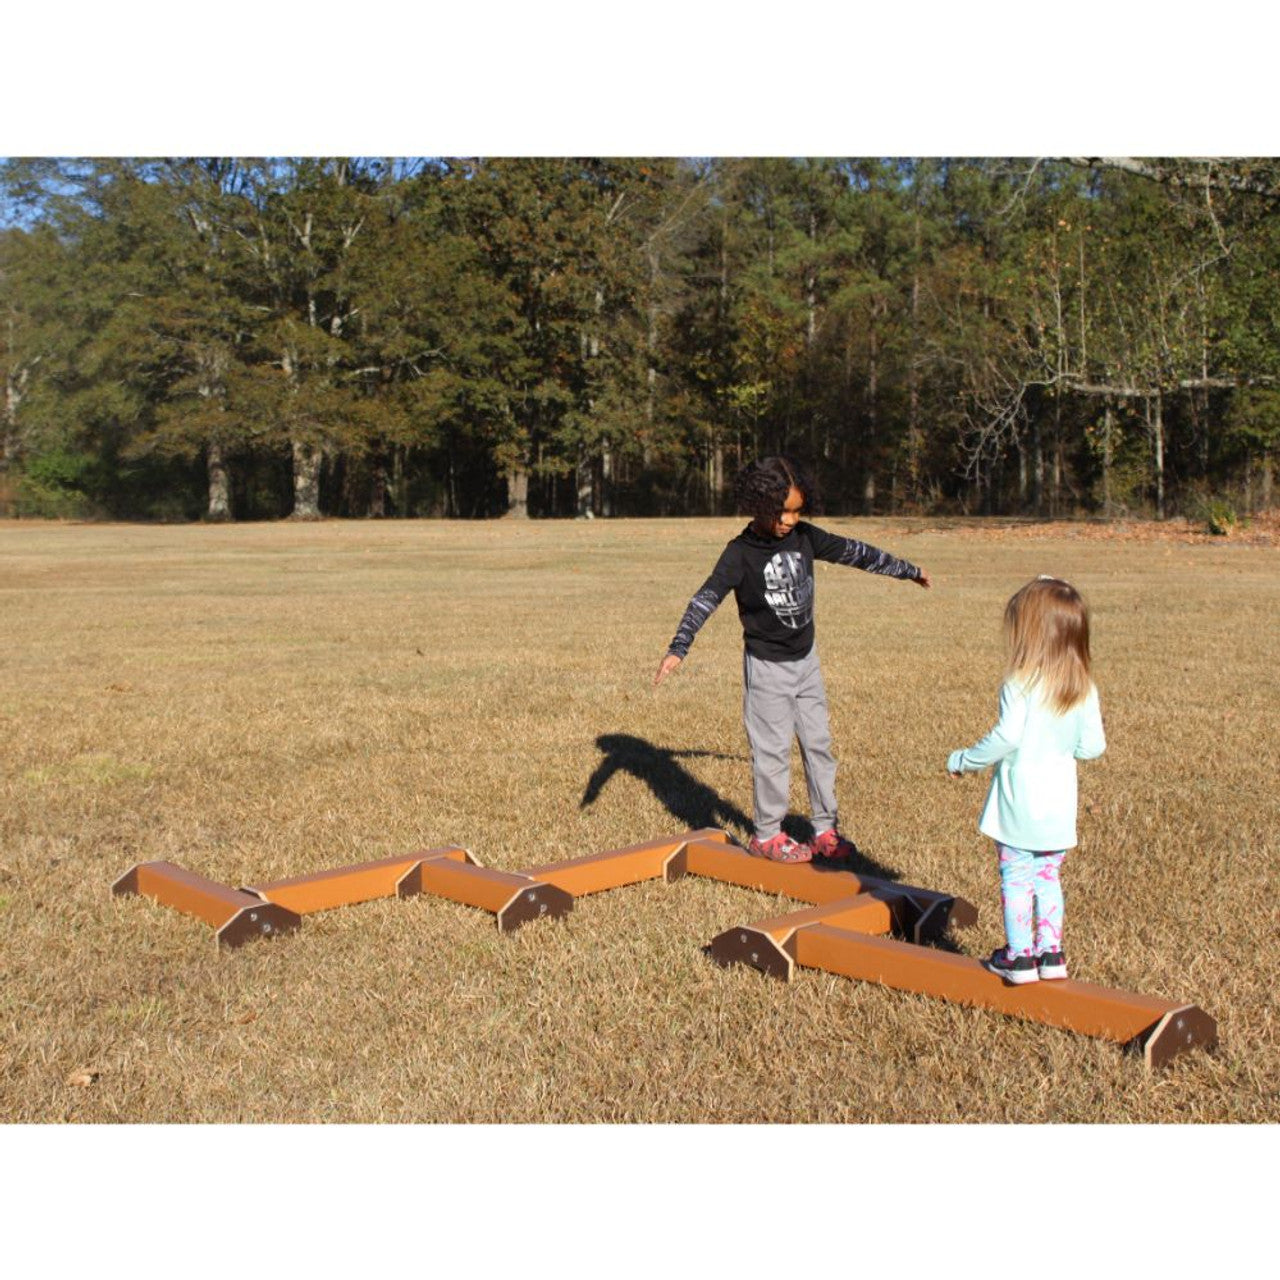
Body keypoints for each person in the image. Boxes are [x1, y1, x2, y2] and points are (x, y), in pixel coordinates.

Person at [654, 456, 932, 863]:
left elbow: (855, 552)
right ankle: (766, 835)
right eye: (782, 512)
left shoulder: (805, 538)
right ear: (759, 505)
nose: (789, 520)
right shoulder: (739, 554)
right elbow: (706, 598)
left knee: (819, 745)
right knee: (772, 754)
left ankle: (824, 831)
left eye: (797, 511)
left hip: (807, 662)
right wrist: (679, 647)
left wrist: (907, 570)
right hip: (767, 668)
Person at [947, 576, 1106, 985]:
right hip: (1058, 805)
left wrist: (964, 759)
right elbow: (1091, 748)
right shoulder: (1083, 687)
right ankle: (1051, 954)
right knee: (1048, 877)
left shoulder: (1019, 684)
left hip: (1019, 804)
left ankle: (1019, 959)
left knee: (1016, 877)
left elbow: (1007, 737)